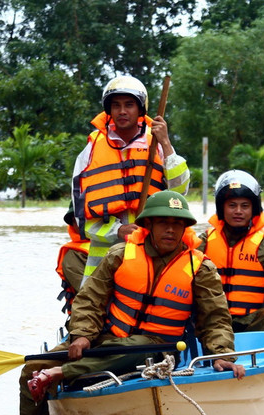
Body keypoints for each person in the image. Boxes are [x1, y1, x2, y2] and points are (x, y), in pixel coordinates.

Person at [27, 191, 245, 405]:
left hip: (158, 347)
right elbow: (89, 299)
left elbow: (215, 319)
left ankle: (60, 373)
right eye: (162, 222)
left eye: (178, 224)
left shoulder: (200, 268)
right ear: (148, 225)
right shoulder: (120, 254)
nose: (170, 230)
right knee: (30, 368)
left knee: (138, 346)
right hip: (108, 338)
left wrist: (222, 354)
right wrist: (82, 335)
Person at [71, 75, 190, 286]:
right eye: (116, 106)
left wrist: (166, 142)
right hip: (103, 260)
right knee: (88, 315)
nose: (122, 111)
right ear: (109, 111)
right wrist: (117, 230)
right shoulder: (91, 150)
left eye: (129, 105)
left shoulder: (158, 143)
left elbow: (180, 191)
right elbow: (81, 216)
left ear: (140, 109)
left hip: (151, 251)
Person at [198, 170, 264, 338]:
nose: (238, 211)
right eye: (232, 205)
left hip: (250, 322)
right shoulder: (203, 242)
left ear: (253, 209)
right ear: (222, 208)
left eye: (245, 206)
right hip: (211, 320)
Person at [18, 204, 88, 415]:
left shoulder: (131, 247)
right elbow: (93, 296)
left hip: (131, 329)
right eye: (81, 219)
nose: (86, 223)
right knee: (32, 370)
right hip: (85, 331)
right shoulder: (75, 255)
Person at [56, 203, 89, 318]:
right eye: (76, 219)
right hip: (89, 320)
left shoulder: (118, 243)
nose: (81, 223)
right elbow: (89, 296)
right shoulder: (73, 256)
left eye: (85, 217)